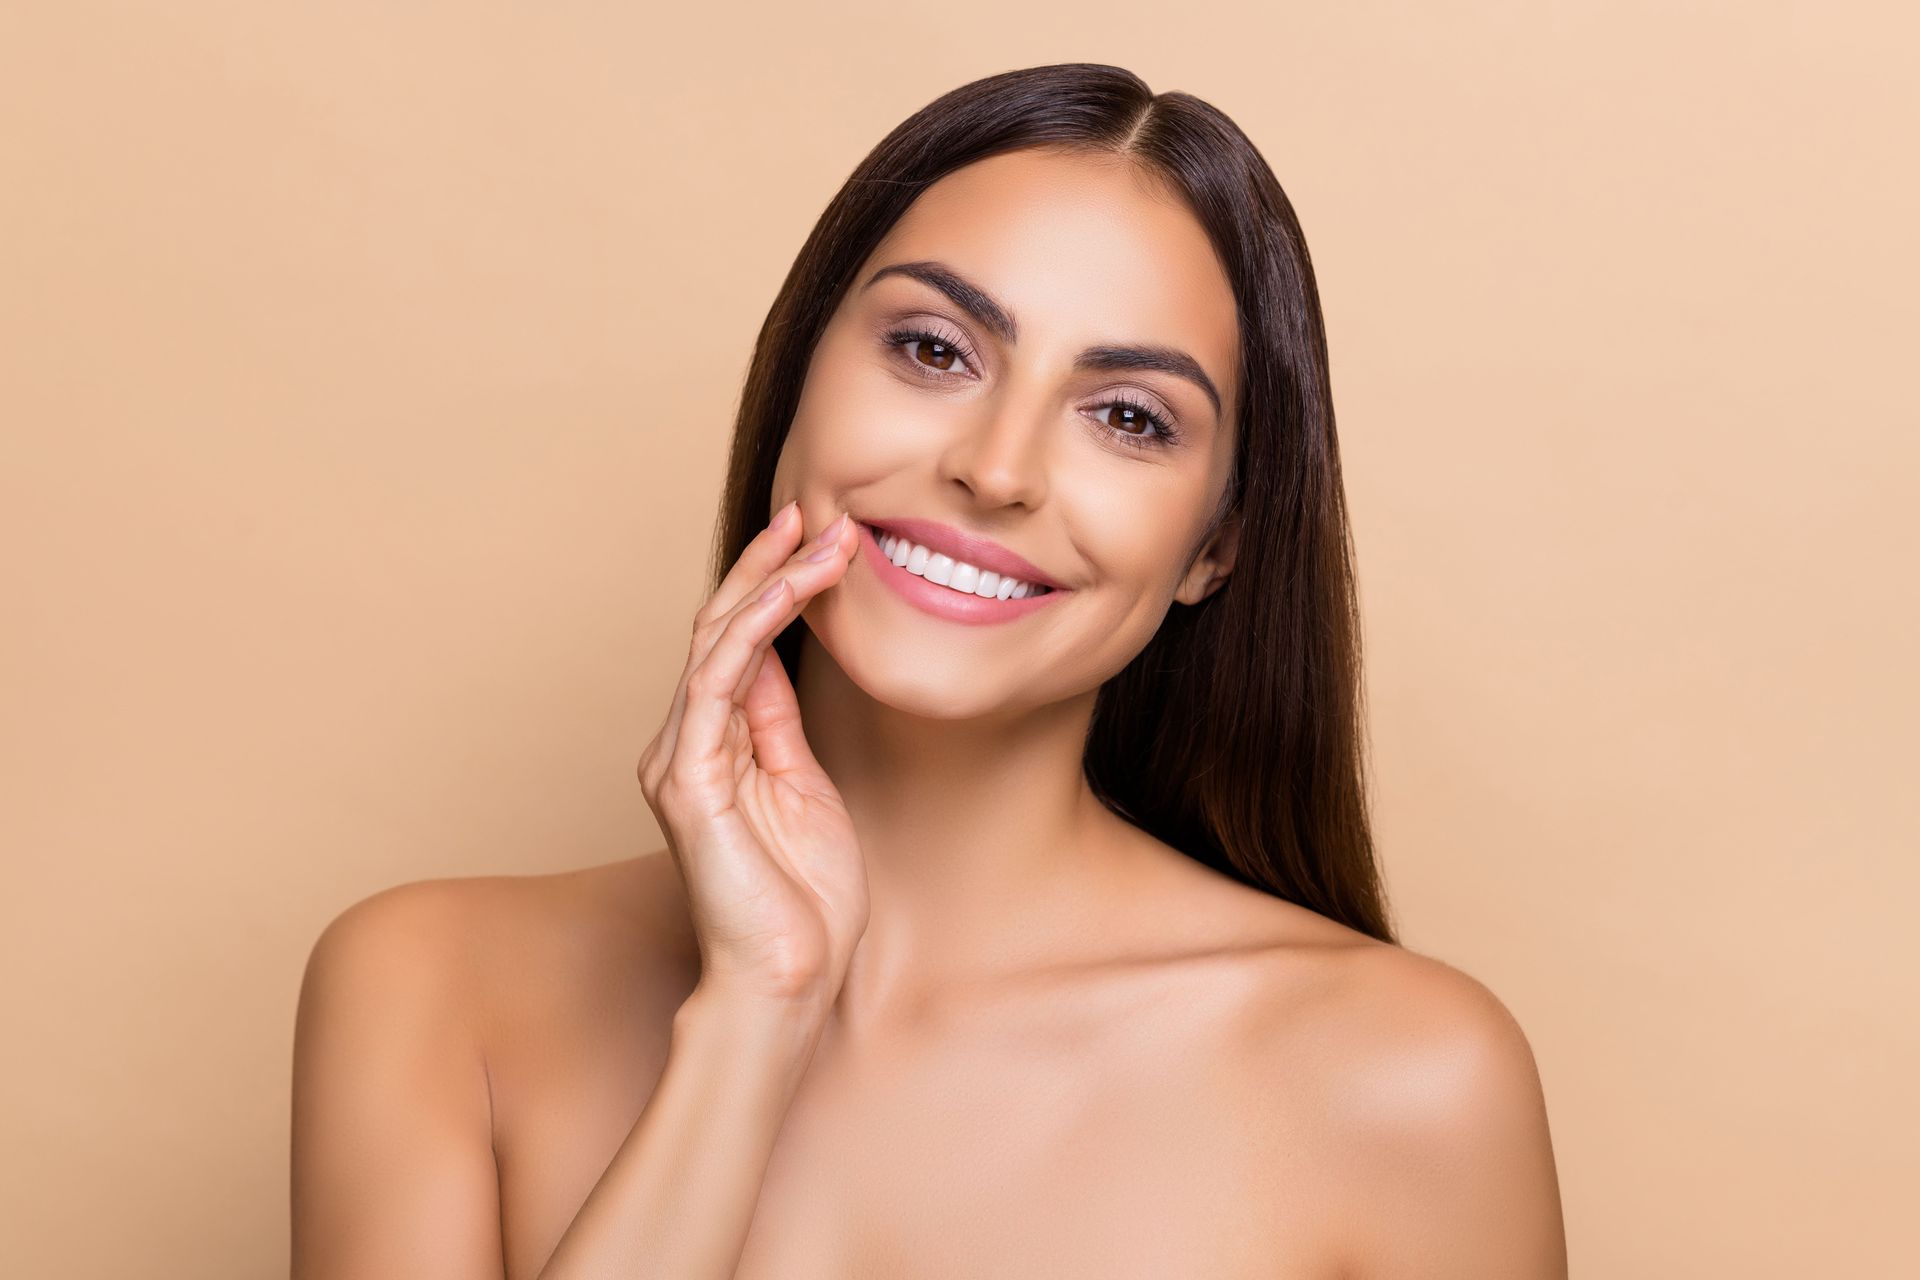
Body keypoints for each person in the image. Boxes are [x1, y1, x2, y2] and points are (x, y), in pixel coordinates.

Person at [290, 62, 1567, 1279]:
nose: (997, 468)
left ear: (1215, 549)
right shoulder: (427, 984)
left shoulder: (1404, 1079)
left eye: (1128, 415)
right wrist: (753, 1013)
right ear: (799, 379)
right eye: (934, 349)